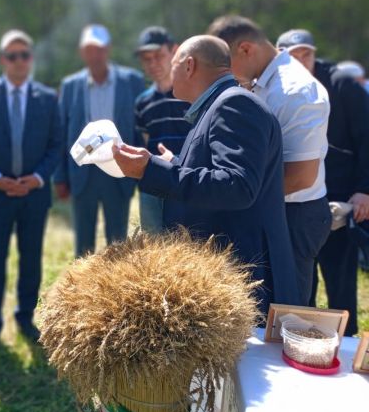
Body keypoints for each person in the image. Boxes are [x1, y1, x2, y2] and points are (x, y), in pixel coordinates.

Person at [111, 35, 300, 314]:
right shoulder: (221, 105)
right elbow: (220, 174)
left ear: (189, 66)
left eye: (173, 64)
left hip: (244, 277)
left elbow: (237, 186)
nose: (168, 72)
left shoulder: (233, 105)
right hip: (231, 274)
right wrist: (174, 162)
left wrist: (150, 169)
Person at [208, 16, 330, 306]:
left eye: (225, 63)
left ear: (246, 49)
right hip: (273, 206)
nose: (223, 74)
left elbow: (302, 176)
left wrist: (241, 198)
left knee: (287, 312)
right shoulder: (265, 82)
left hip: (294, 215)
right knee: (265, 308)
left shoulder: (295, 91)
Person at [0, 29, 62, 359]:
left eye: (24, 55)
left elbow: (56, 144)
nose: (18, 62)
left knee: (31, 261)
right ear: (1, 60)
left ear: (31, 59)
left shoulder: (47, 98)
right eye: (11, 56)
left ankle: (25, 318)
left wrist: (36, 178)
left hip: (33, 195)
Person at [277, 29, 369, 335]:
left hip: (341, 201)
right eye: (293, 55)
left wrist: (364, 190)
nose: (301, 60)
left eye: (307, 53)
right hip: (298, 201)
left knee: (340, 284)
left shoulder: (341, 83)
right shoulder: (277, 86)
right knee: (300, 286)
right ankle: (301, 345)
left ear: (315, 53)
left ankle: (346, 347)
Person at [54, 24, 145, 256]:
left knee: (118, 240)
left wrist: (140, 169)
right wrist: (61, 176)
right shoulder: (71, 85)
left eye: (99, 49)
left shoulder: (131, 81)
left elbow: (138, 128)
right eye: (89, 50)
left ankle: (117, 288)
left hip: (119, 169)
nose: (94, 55)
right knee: (83, 244)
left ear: (108, 49)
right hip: (84, 171)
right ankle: (81, 291)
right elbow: (62, 131)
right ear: (82, 52)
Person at [133, 26, 192, 233]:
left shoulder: (193, 94)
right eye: (146, 58)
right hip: (152, 185)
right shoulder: (142, 102)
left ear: (175, 51)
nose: (153, 63)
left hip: (187, 180)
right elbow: (145, 139)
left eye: (159, 55)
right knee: (154, 246)